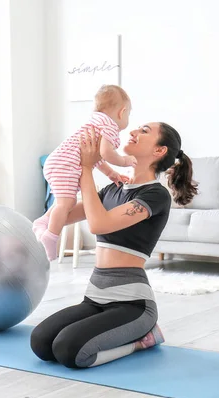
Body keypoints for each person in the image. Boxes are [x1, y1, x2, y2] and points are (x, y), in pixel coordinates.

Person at [30, 121, 198, 369]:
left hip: (132, 305)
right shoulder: (113, 188)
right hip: (94, 299)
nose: (133, 132)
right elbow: (64, 215)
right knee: (41, 342)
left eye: (144, 131)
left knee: (69, 351)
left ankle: (143, 340)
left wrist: (87, 168)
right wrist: (68, 168)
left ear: (159, 151)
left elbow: (99, 224)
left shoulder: (155, 195)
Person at [33, 85, 136, 261]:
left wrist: (111, 174)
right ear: (122, 112)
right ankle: (50, 237)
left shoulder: (96, 122)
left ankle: (42, 223)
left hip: (58, 162)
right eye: (129, 114)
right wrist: (124, 161)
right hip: (63, 165)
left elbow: (96, 156)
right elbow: (105, 153)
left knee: (65, 201)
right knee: (67, 203)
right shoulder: (110, 127)